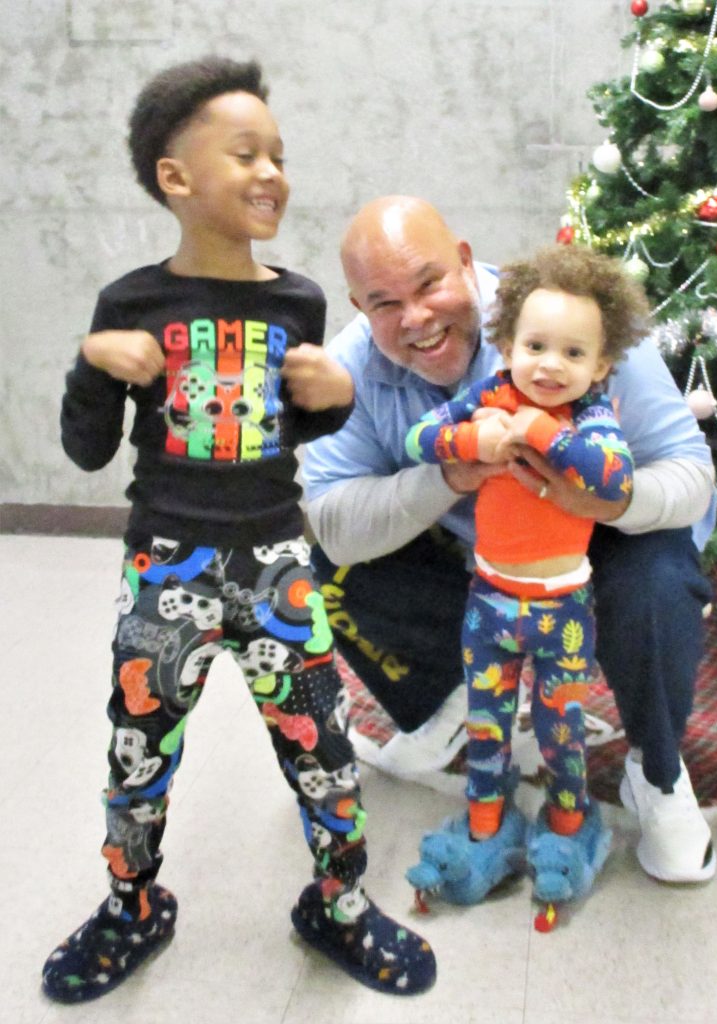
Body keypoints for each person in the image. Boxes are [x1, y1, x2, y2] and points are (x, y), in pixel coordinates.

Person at [42, 60, 434, 1004]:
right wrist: (93, 369)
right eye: (245, 154)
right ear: (176, 180)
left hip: (279, 564)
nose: (271, 174)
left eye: (280, 156)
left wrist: (334, 404)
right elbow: (89, 452)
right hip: (165, 563)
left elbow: (285, 431)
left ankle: (337, 905)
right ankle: (132, 905)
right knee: (138, 750)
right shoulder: (130, 304)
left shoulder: (297, 301)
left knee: (325, 750)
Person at [301, 195, 717, 886]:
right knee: (324, 566)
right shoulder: (351, 369)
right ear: (358, 305)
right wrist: (453, 473)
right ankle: (449, 700)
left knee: (658, 579)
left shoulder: (571, 315)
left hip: (600, 538)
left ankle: (656, 767)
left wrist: (609, 496)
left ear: (466, 263)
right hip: (482, 558)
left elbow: (691, 473)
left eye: (430, 283)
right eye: (384, 302)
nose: (416, 319)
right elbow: (336, 524)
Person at [403, 245, 641, 873]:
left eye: (573, 353)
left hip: (561, 609)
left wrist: (537, 429)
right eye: (536, 347)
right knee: (488, 724)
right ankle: (486, 823)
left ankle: (567, 824)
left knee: (561, 727)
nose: (550, 366)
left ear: (602, 364)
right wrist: (471, 438)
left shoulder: (592, 415)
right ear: (506, 347)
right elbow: (418, 437)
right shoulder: (489, 393)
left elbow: (612, 479)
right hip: (488, 603)